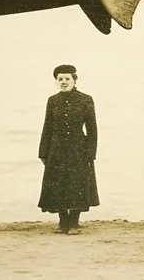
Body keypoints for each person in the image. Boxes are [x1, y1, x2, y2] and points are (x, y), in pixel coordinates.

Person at [38, 65, 99, 235]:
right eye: (60, 79)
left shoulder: (86, 100)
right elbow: (47, 127)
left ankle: (73, 223)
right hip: (56, 150)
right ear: (56, 81)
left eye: (67, 79)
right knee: (58, 185)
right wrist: (43, 152)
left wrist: (90, 152)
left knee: (76, 185)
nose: (63, 82)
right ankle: (62, 222)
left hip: (78, 150)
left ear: (74, 80)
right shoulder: (52, 100)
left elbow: (92, 129)